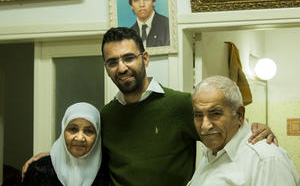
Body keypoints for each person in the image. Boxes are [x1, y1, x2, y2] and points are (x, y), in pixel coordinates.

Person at [22, 27, 277, 186]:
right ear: (106, 67)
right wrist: (50, 157)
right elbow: (83, 150)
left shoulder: (180, 104)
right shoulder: (106, 116)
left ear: (144, 58)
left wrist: (256, 128)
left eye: (129, 58)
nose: (121, 67)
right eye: (112, 62)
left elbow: (224, 132)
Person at [187, 76, 299, 186]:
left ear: (239, 115)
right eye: (198, 115)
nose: (204, 126)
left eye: (215, 113)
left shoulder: (266, 160)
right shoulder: (211, 152)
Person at [22, 102, 106, 186]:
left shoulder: (107, 172)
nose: (80, 138)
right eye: (73, 129)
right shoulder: (38, 170)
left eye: (88, 131)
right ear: (63, 132)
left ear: (98, 135)